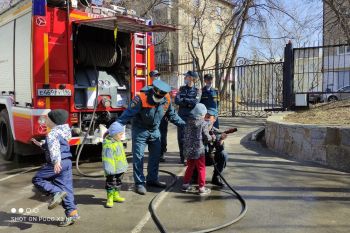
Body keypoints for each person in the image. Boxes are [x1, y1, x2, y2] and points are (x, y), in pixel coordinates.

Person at [117, 79, 185, 195]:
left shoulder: (166, 99)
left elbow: (172, 115)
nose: (158, 100)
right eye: (156, 97)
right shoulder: (140, 98)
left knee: (155, 156)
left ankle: (152, 179)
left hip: (155, 130)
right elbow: (127, 114)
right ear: (152, 91)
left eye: (160, 97)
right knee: (138, 157)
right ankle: (139, 183)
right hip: (140, 130)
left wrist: (186, 125)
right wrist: (116, 126)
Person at [31, 109, 79, 227]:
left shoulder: (52, 133)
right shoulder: (64, 131)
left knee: (38, 179)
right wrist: (42, 144)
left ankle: (56, 192)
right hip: (67, 162)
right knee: (66, 188)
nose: (45, 120)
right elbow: (57, 144)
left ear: (53, 121)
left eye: (47, 118)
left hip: (58, 163)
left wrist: (56, 161)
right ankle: (72, 213)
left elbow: (55, 148)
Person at [181, 103, 212, 195]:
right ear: (201, 114)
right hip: (199, 150)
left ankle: (185, 184)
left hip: (188, 149)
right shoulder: (203, 123)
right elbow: (207, 137)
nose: (204, 115)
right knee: (201, 168)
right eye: (204, 114)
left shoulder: (188, 121)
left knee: (190, 166)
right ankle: (201, 187)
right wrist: (212, 138)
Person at [141, 70, 169, 162]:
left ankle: (162, 153)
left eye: (158, 75)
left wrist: (165, 113)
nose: (156, 77)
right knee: (152, 135)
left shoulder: (163, 88)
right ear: (151, 77)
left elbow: (168, 102)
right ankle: (153, 153)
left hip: (162, 116)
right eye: (155, 75)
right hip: (152, 117)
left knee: (163, 135)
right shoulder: (147, 88)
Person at [175, 70, 201, 164]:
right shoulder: (181, 88)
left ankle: (190, 157)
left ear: (191, 78)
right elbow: (177, 100)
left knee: (191, 138)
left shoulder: (197, 90)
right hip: (181, 117)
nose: (185, 78)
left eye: (186, 76)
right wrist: (188, 101)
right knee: (181, 138)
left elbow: (195, 103)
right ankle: (183, 157)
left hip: (192, 117)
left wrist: (184, 100)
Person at [102, 122, 128, 208]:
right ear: (114, 134)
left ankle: (116, 195)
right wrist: (109, 170)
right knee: (110, 183)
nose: (122, 136)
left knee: (118, 182)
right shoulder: (108, 144)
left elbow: (122, 155)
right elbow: (107, 159)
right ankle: (110, 198)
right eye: (120, 134)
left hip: (120, 168)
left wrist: (124, 166)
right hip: (111, 170)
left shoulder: (118, 141)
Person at [205, 110, 228, 187]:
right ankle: (194, 174)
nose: (206, 119)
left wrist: (221, 140)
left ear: (214, 119)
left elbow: (220, 149)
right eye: (205, 116)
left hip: (209, 157)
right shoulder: (197, 128)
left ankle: (216, 177)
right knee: (195, 179)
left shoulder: (216, 132)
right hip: (198, 156)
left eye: (208, 117)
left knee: (223, 155)